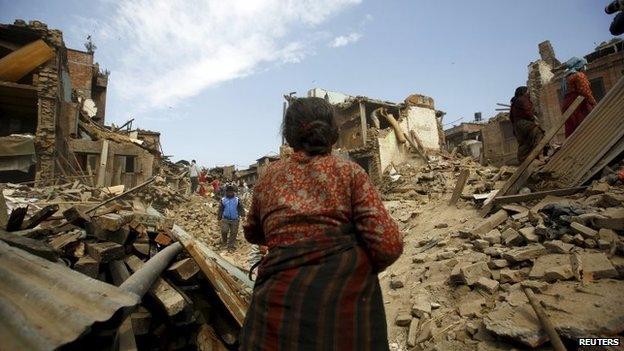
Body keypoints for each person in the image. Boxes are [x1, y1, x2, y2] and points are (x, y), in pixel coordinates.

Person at [240, 97, 403, 350]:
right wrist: (352, 266)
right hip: (345, 314)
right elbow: (389, 245)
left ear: (289, 136)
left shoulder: (268, 178)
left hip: (277, 314)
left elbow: (252, 232)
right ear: (334, 133)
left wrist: (285, 241)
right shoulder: (350, 173)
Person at [560, 57, 597, 137]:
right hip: (578, 104)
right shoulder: (579, 75)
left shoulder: (565, 78)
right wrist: (593, 103)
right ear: (579, 65)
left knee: (572, 129)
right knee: (586, 127)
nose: (584, 67)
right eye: (584, 65)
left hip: (566, 104)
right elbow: (585, 91)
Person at [509, 86, 544, 162]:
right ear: (524, 92)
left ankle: (523, 160)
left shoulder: (514, 103)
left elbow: (511, 117)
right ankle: (538, 156)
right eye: (527, 91)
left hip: (517, 127)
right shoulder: (523, 99)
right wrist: (533, 118)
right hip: (523, 124)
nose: (529, 93)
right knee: (538, 133)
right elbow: (528, 111)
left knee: (525, 143)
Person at [218, 184, 245, 251]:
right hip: (225, 219)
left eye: (231, 191)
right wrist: (219, 218)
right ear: (226, 192)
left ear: (233, 192)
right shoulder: (223, 200)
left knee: (233, 233)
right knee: (224, 231)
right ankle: (224, 241)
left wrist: (243, 216)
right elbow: (220, 209)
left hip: (235, 219)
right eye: (228, 192)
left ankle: (231, 246)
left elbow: (241, 208)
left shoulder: (237, 199)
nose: (230, 193)